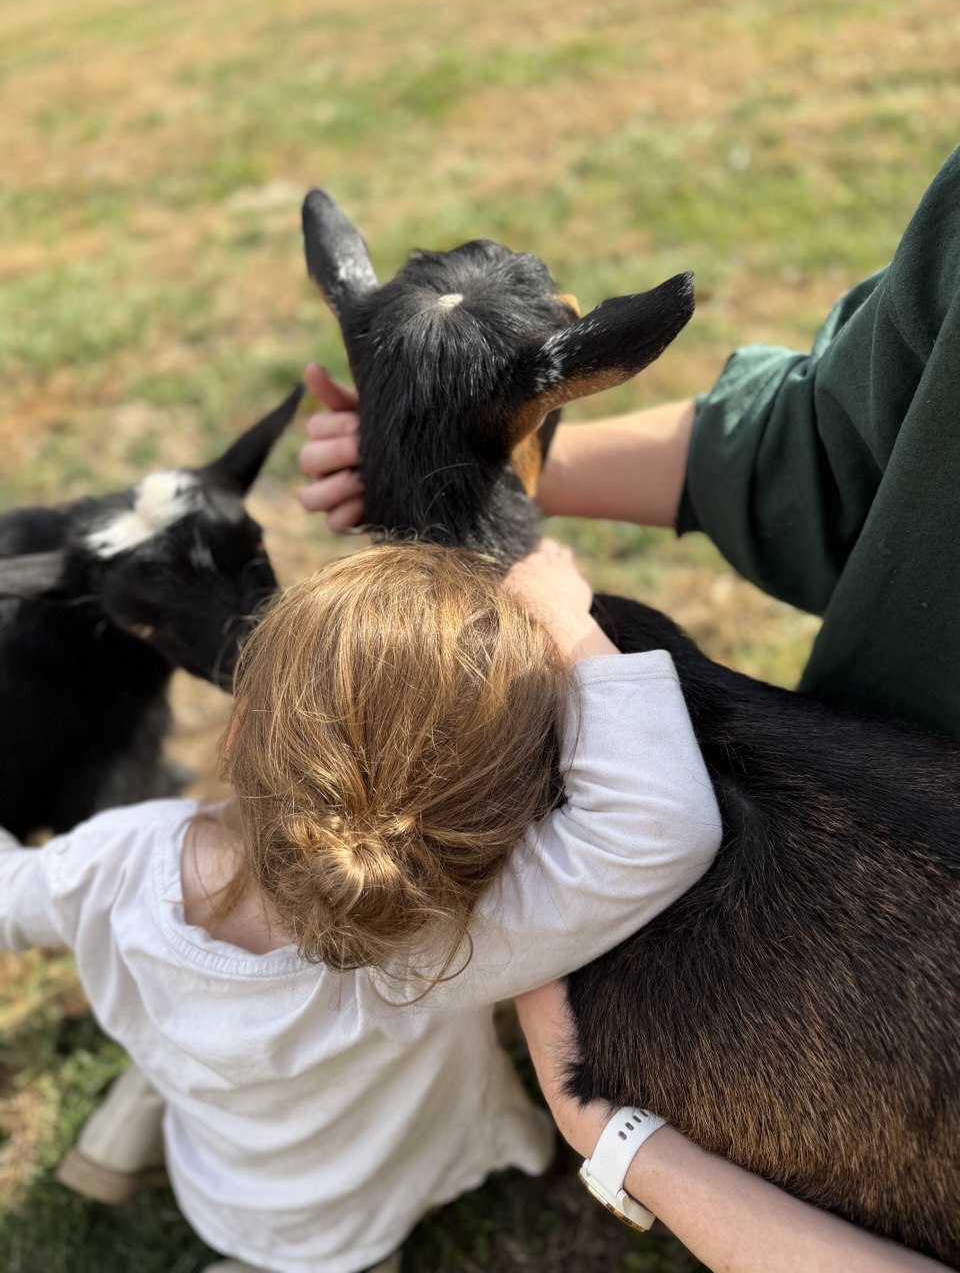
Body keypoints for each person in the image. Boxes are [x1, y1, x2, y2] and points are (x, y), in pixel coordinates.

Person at [296, 147, 960, 1268]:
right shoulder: (607, 646)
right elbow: (844, 443)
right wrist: (484, 454)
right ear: (583, 367)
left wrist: (614, 1136)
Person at [2, 539, 722, 1273]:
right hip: (362, 1219)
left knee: (183, 1069)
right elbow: (663, 822)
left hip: (220, 1185)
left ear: (239, 725)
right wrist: (570, 624)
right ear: (504, 813)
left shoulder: (114, 861)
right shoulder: (454, 935)